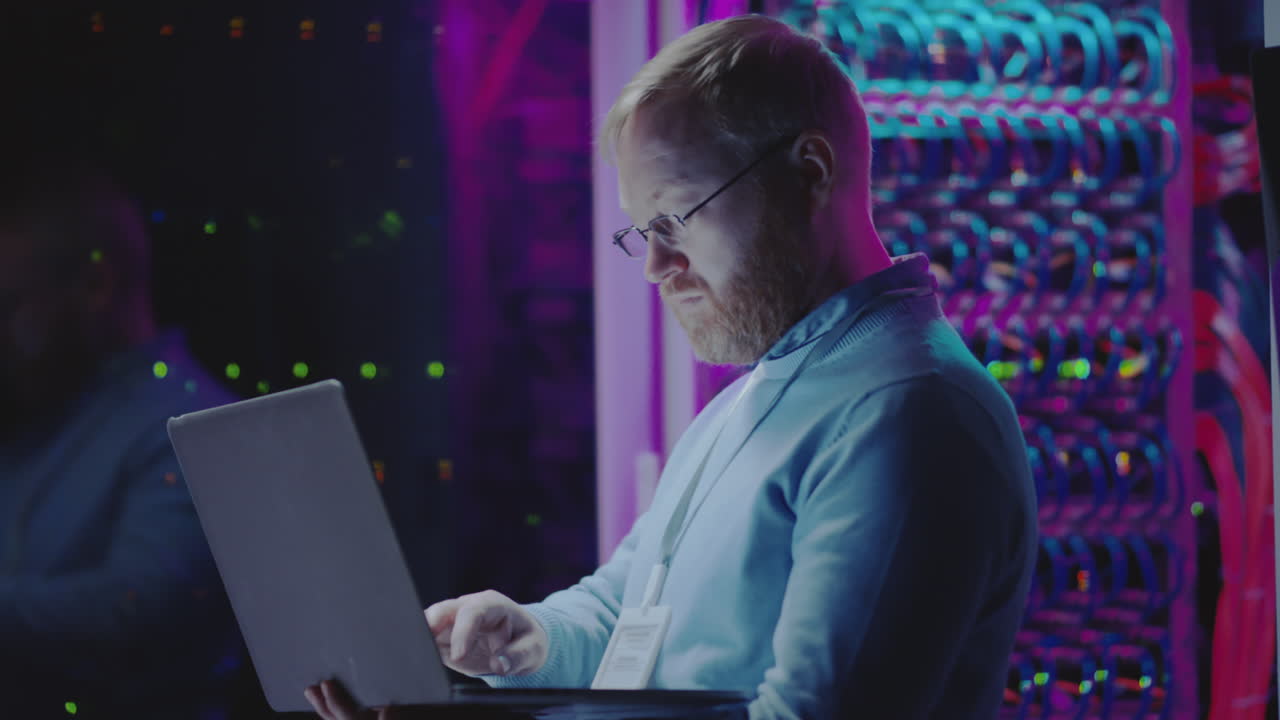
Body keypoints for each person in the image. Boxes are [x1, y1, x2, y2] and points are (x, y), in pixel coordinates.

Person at [308, 15, 1036, 720]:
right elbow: (630, 610)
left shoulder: (909, 414)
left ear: (811, 172)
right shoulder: (769, 388)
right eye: (641, 230)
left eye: (676, 217)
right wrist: (528, 642)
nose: (655, 265)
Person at [0, 157, 242, 718]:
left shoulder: (196, 422)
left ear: (95, 285)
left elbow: (143, 610)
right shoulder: (44, 417)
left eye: (7, 306)